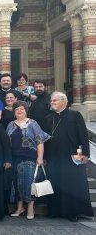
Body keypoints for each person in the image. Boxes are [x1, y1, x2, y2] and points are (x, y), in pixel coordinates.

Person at [44, 92, 93, 222]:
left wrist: (86, 154)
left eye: (55, 100)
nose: (52, 102)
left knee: (72, 184)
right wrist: (43, 156)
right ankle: (56, 210)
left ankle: (73, 211)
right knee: (56, 182)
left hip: (72, 155)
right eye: (51, 100)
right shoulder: (48, 118)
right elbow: (44, 140)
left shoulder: (75, 115)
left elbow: (83, 136)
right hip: (53, 156)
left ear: (64, 102)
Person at [6, 101, 50, 220]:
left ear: (26, 111)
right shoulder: (10, 124)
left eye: (22, 109)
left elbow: (40, 141)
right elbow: (7, 143)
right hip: (14, 158)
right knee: (16, 184)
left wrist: (40, 157)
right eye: (17, 109)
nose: (19, 111)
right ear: (14, 112)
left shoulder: (33, 123)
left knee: (29, 183)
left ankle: (31, 208)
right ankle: (20, 208)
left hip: (30, 158)